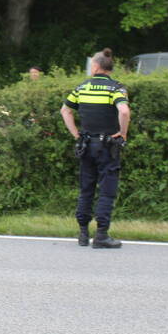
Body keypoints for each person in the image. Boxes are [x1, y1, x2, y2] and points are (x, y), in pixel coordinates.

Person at [60, 48, 131, 249]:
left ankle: (83, 234)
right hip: (108, 145)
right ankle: (101, 235)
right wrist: (123, 133)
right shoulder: (115, 89)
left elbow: (65, 111)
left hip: (86, 144)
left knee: (86, 189)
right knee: (107, 190)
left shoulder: (82, 88)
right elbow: (124, 111)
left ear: (96, 66)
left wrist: (76, 134)